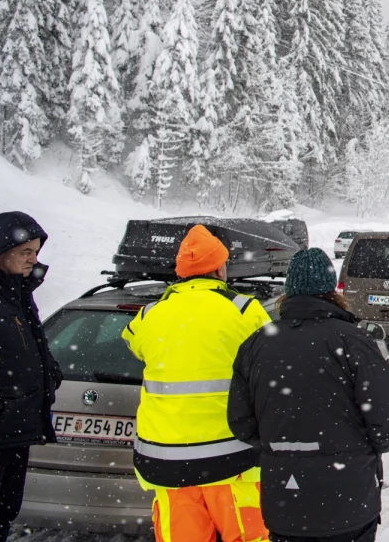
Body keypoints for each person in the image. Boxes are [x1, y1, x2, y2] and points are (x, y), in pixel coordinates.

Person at [228, 248, 389, 542]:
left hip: (285, 503)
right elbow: (387, 418)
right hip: (349, 500)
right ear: (332, 289)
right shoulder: (355, 341)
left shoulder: (257, 345)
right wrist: (360, 452)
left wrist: (283, 447)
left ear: (288, 290)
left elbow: (241, 421)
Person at [122, 224, 272, 542]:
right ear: (219, 268)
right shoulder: (245, 311)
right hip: (233, 459)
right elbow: (270, 362)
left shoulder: (149, 315)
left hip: (165, 462)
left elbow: (135, 346)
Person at [0, 212, 61, 539]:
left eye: (36, 253)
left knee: (6, 512)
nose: (33, 260)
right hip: (4, 426)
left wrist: (48, 371)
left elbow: (28, 345)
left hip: (17, 430)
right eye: (25, 252)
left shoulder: (19, 294)